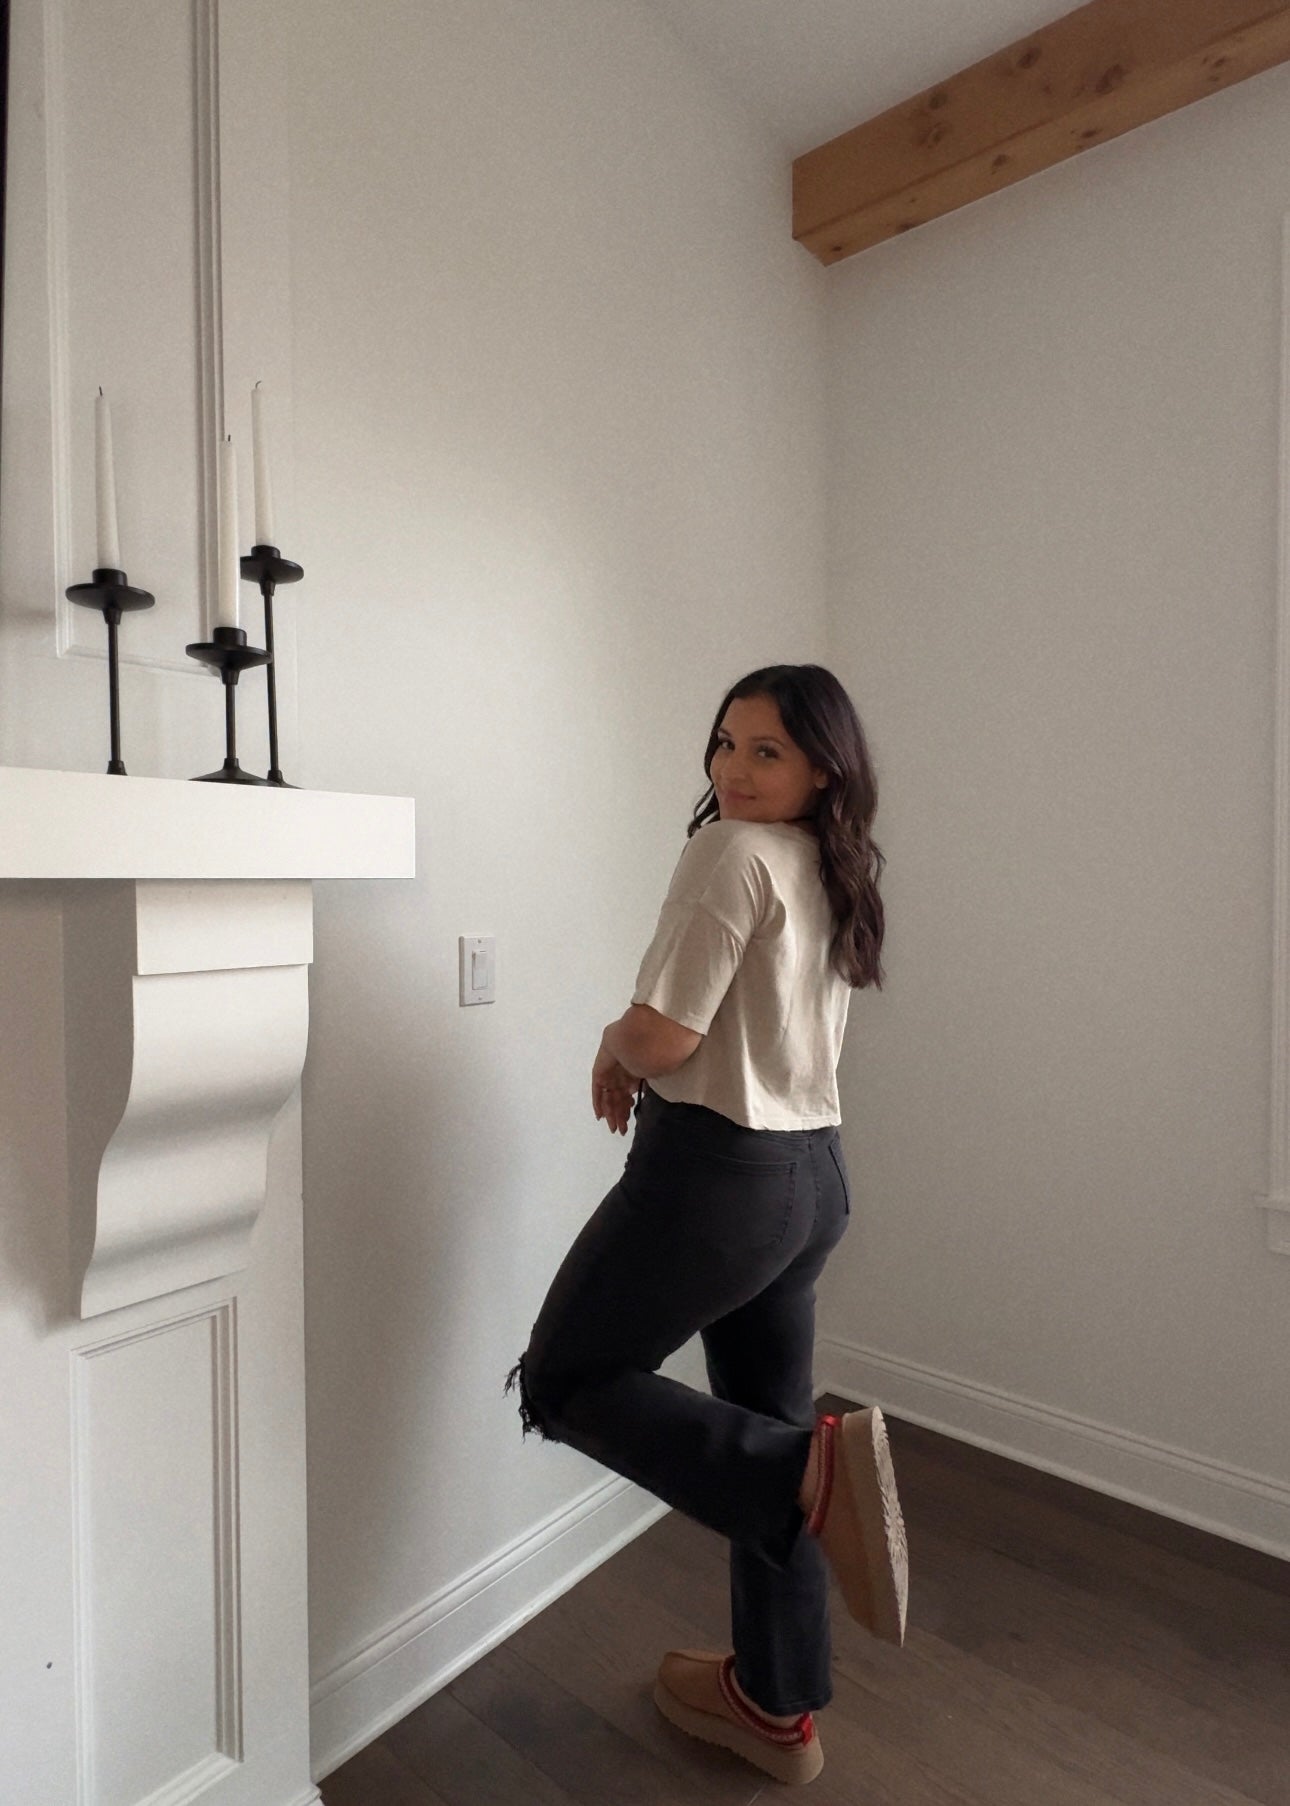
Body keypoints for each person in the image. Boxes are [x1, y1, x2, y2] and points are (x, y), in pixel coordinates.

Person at [504, 663, 907, 1787]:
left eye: (766, 750)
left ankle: (800, 1479)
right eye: (726, 743)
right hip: (812, 1179)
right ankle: (776, 1707)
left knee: (564, 1378)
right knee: (772, 1415)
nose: (734, 769)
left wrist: (610, 1041)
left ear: (823, 766)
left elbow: (665, 1036)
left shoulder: (731, 853)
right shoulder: (833, 862)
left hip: (718, 1178)